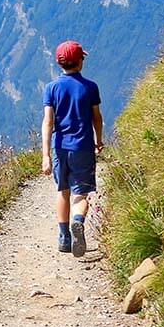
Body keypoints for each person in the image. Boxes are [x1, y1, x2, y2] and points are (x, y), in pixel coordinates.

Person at [41, 40, 103, 257]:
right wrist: (98, 140)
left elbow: (48, 122)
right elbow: (96, 118)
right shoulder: (90, 87)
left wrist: (45, 155)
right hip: (83, 147)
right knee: (81, 194)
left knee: (63, 191)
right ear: (80, 62)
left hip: (59, 148)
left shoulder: (51, 88)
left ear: (60, 63)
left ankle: (64, 237)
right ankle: (78, 221)